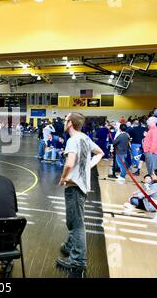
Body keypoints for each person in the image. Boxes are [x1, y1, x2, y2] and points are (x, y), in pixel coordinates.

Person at [56, 112, 104, 278]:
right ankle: (70, 246)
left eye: (65, 119)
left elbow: (69, 163)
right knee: (73, 220)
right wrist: (87, 166)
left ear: (70, 123)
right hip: (82, 185)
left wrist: (63, 178)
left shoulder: (72, 140)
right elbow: (100, 153)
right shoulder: (85, 137)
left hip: (74, 186)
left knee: (76, 223)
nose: (64, 121)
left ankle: (78, 260)